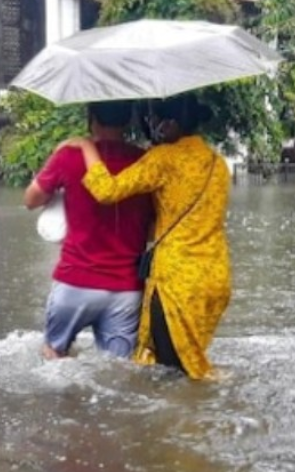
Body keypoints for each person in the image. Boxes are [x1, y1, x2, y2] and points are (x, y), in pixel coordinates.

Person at [61, 95, 231, 380]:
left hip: (177, 281)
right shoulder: (218, 164)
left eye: (156, 119)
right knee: (192, 365)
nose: (151, 125)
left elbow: (107, 190)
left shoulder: (163, 159)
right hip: (215, 279)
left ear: (172, 123)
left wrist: (86, 147)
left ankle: (178, 425)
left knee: (171, 377)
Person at [24, 101, 154, 360]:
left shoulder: (69, 156)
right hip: (127, 290)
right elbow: (152, 231)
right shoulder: (146, 163)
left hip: (75, 283)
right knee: (118, 373)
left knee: (53, 357)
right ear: (129, 121)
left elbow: (31, 200)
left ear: (91, 118)